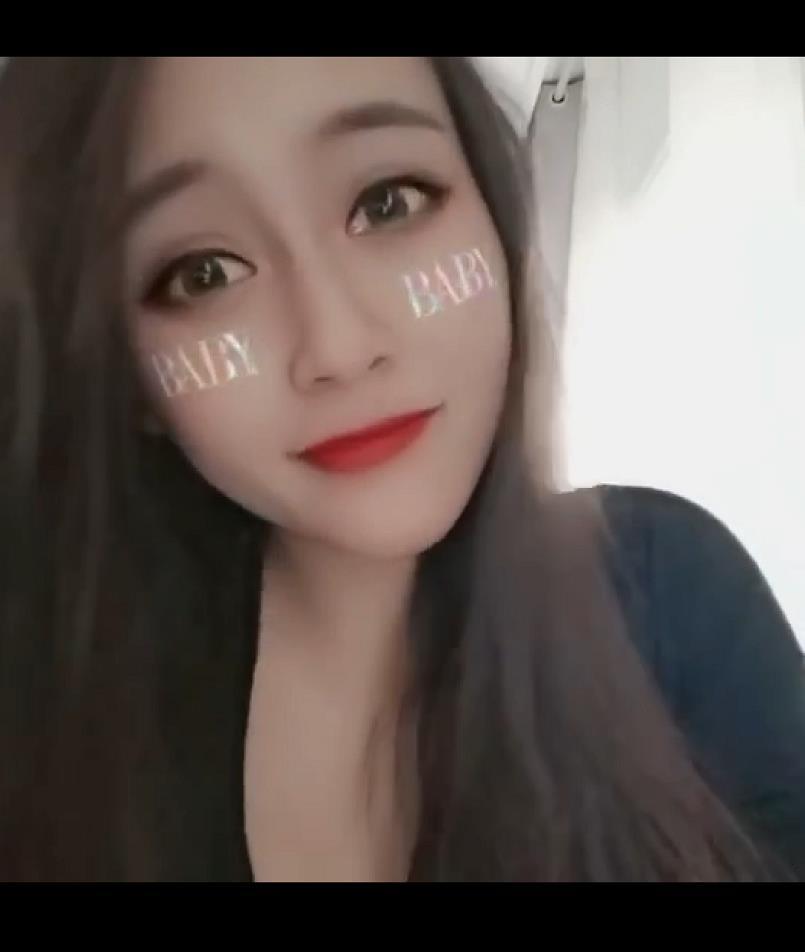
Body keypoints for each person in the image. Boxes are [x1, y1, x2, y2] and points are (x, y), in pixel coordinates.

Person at [0, 56, 803, 883]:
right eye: (203, 274)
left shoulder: (669, 599)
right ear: (124, 375)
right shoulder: (51, 731)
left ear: (493, 213)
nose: (339, 347)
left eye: (387, 202)